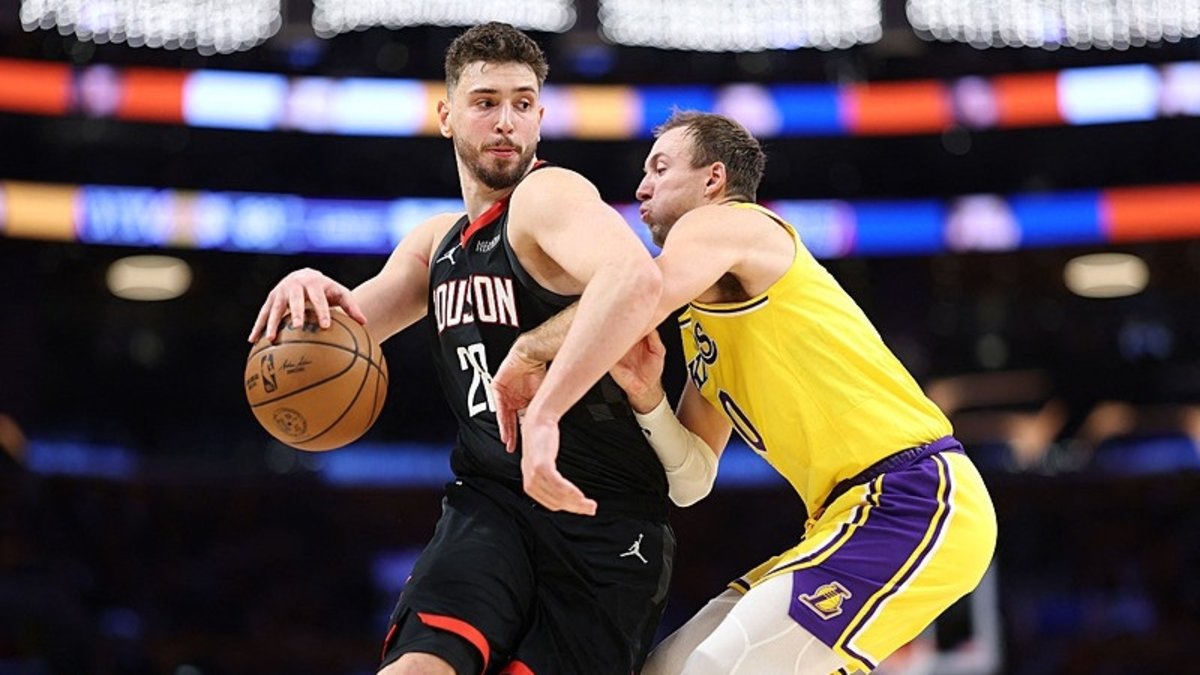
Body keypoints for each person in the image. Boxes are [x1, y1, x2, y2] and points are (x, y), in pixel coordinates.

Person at [492, 111, 998, 674]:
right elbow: (692, 480)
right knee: (668, 670)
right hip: (842, 518)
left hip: (912, 495)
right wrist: (650, 400)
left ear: (713, 180)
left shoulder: (731, 223)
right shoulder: (701, 322)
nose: (642, 187)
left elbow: (635, 297)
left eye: (660, 167)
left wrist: (533, 352)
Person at [248, 23, 676, 675]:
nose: (506, 121)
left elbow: (637, 279)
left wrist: (538, 379)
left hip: (600, 516)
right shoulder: (434, 244)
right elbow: (349, 330)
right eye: (485, 102)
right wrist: (307, 283)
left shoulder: (546, 197)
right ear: (447, 115)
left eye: (523, 102)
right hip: (492, 502)